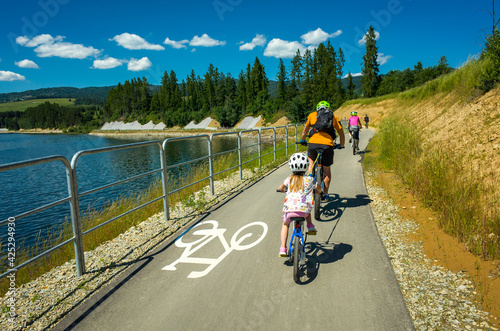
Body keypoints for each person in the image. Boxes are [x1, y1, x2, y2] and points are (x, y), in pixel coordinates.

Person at [299, 101, 345, 201]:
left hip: (313, 144)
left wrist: (302, 140)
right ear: (328, 108)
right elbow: (341, 132)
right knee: (327, 170)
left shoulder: (312, 115)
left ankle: (310, 177)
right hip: (328, 145)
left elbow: (305, 130)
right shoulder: (333, 117)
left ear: (317, 109)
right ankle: (326, 194)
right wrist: (341, 145)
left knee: (311, 161)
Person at [277, 153, 320, 257]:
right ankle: (310, 226)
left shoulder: (289, 179)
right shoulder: (309, 180)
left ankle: (283, 248)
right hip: (304, 212)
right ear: (305, 167)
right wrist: (315, 192)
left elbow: (280, 188)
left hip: (290, 212)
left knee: (285, 224)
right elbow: (319, 189)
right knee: (306, 207)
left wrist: (281, 190)